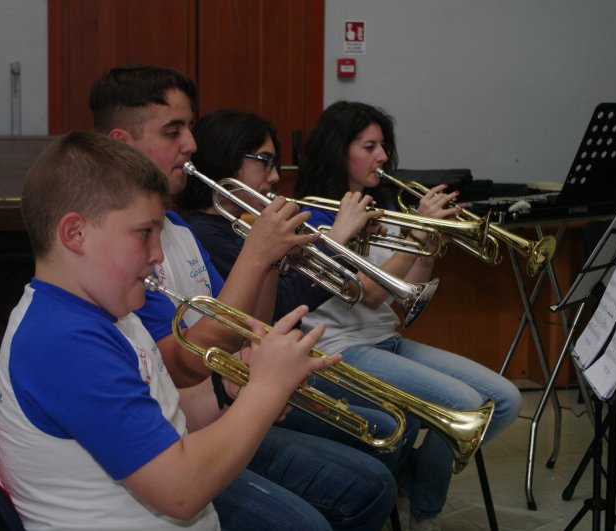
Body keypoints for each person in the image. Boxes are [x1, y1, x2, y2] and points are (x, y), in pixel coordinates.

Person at [88, 65, 397, 530]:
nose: (191, 145)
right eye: (174, 131)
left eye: (189, 128)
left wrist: (265, 335)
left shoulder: (175, 230)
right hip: (184, 438)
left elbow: (245, 323)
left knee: (374, 479)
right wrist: (259, 256)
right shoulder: (126, 247)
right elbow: (187, 360)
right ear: (122, 142)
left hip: (217, 410)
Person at [0, 131, 348, 529]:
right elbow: (181, 491)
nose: (158, 254)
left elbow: (169, 423)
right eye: (145, 233)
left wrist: (232, 394)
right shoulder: (64, 340)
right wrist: (267, 389)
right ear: (75, 234)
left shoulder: (109, 317)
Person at [292, 100, 523, 531]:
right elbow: (373, 293)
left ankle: (412, 481)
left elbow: (408, 292)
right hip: (339, 350)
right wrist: (416, 232)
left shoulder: (381, 205)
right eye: (369, 146)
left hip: (387, 341)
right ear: (338, 150)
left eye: (383, 146)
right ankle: (426, 512)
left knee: (505, 399)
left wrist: (429, 239)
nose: (382, 156)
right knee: (465, 404)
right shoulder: (318, 214)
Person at [178, 109, 420, 470]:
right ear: (227, 155)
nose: (275, 176)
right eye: (265, 161)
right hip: (242, 385)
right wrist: (337, 240)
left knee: (393, 427)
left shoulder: (242, 224)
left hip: (285, 365)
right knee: (381, 436)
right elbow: (280, 307)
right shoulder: (202, 231)